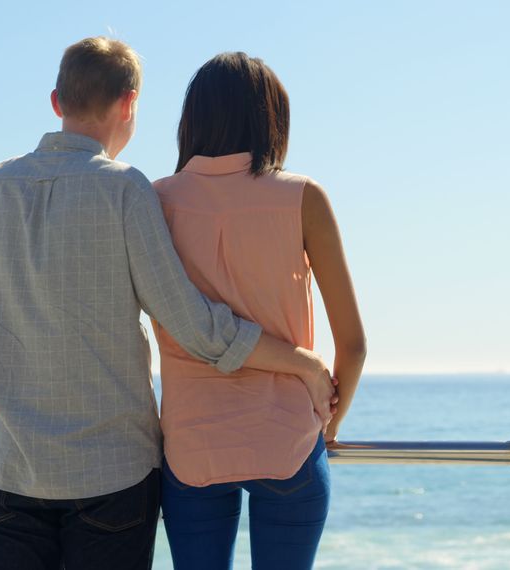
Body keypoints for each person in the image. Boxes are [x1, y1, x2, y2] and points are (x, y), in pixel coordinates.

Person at [0, 38, 338, 570]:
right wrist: (300, 362)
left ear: (57, 101)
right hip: (113, 477)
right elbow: (190, 322)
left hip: (12, 472)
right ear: (130, 103)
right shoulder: (124, 189)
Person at [152, 52, 367, 570]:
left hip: (191, 446)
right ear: (272, 118)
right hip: (288, 441)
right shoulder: (302, 197)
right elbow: (354, 345)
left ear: (191, 121)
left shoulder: (154, 201)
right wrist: (329, 423)